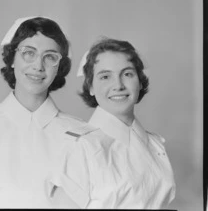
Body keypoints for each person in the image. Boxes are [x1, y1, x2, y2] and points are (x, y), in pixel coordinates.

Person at [0, 16, 96, 208]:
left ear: (59, 68)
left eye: (50, 57)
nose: (38, 66)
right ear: (12, 58)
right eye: (29, 53)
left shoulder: (80, 135)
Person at [51, 37, 176, 209]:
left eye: (127, 74)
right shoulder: (79, 147)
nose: (118, 85)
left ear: (140, 82)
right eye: (105, 77)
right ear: (91, 87)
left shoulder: (155, 144)